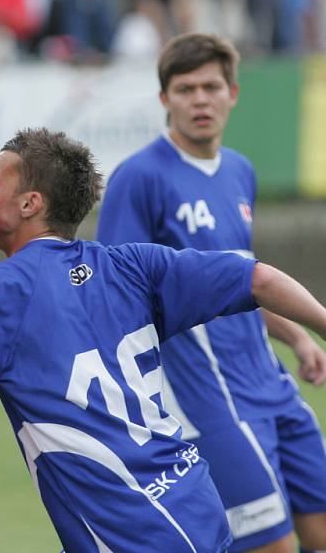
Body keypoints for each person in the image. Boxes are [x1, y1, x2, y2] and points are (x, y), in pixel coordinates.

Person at [0, 127, 326, 552]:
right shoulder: (133, 265)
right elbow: (260, 277)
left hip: (128, 530)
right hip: (191, 495)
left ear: (29, 203)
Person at [97, 33, 326, 553]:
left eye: (210, 86)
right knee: (273, 546)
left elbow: (239, 279)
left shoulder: (239, 171)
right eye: (185, 89)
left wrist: (298, 338)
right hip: (209, 402)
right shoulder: (140, 177)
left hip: (273, 385)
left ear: (234, 93)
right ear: (164, 100)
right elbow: (115, 296)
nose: (200, 99)